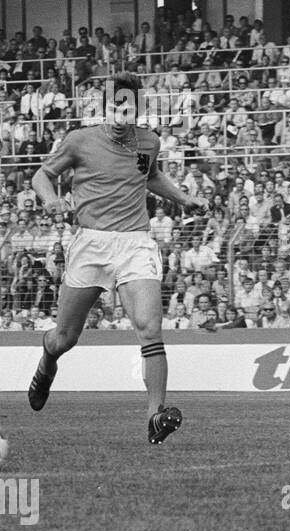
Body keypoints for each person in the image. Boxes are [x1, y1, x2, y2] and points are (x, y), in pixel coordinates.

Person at [26, 72, 207, 445]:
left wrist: (183, 198)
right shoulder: (79, 140)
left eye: (129, 106)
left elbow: (150, 176)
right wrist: (51, 199)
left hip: (135, 243)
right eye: (116, 105)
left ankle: (155, 416)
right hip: (90, 243)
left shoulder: (149, 141)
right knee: (64, 337)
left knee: (149, 328)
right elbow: (42, 176)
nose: (123, 112)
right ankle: (47, 365)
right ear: (105, 105)